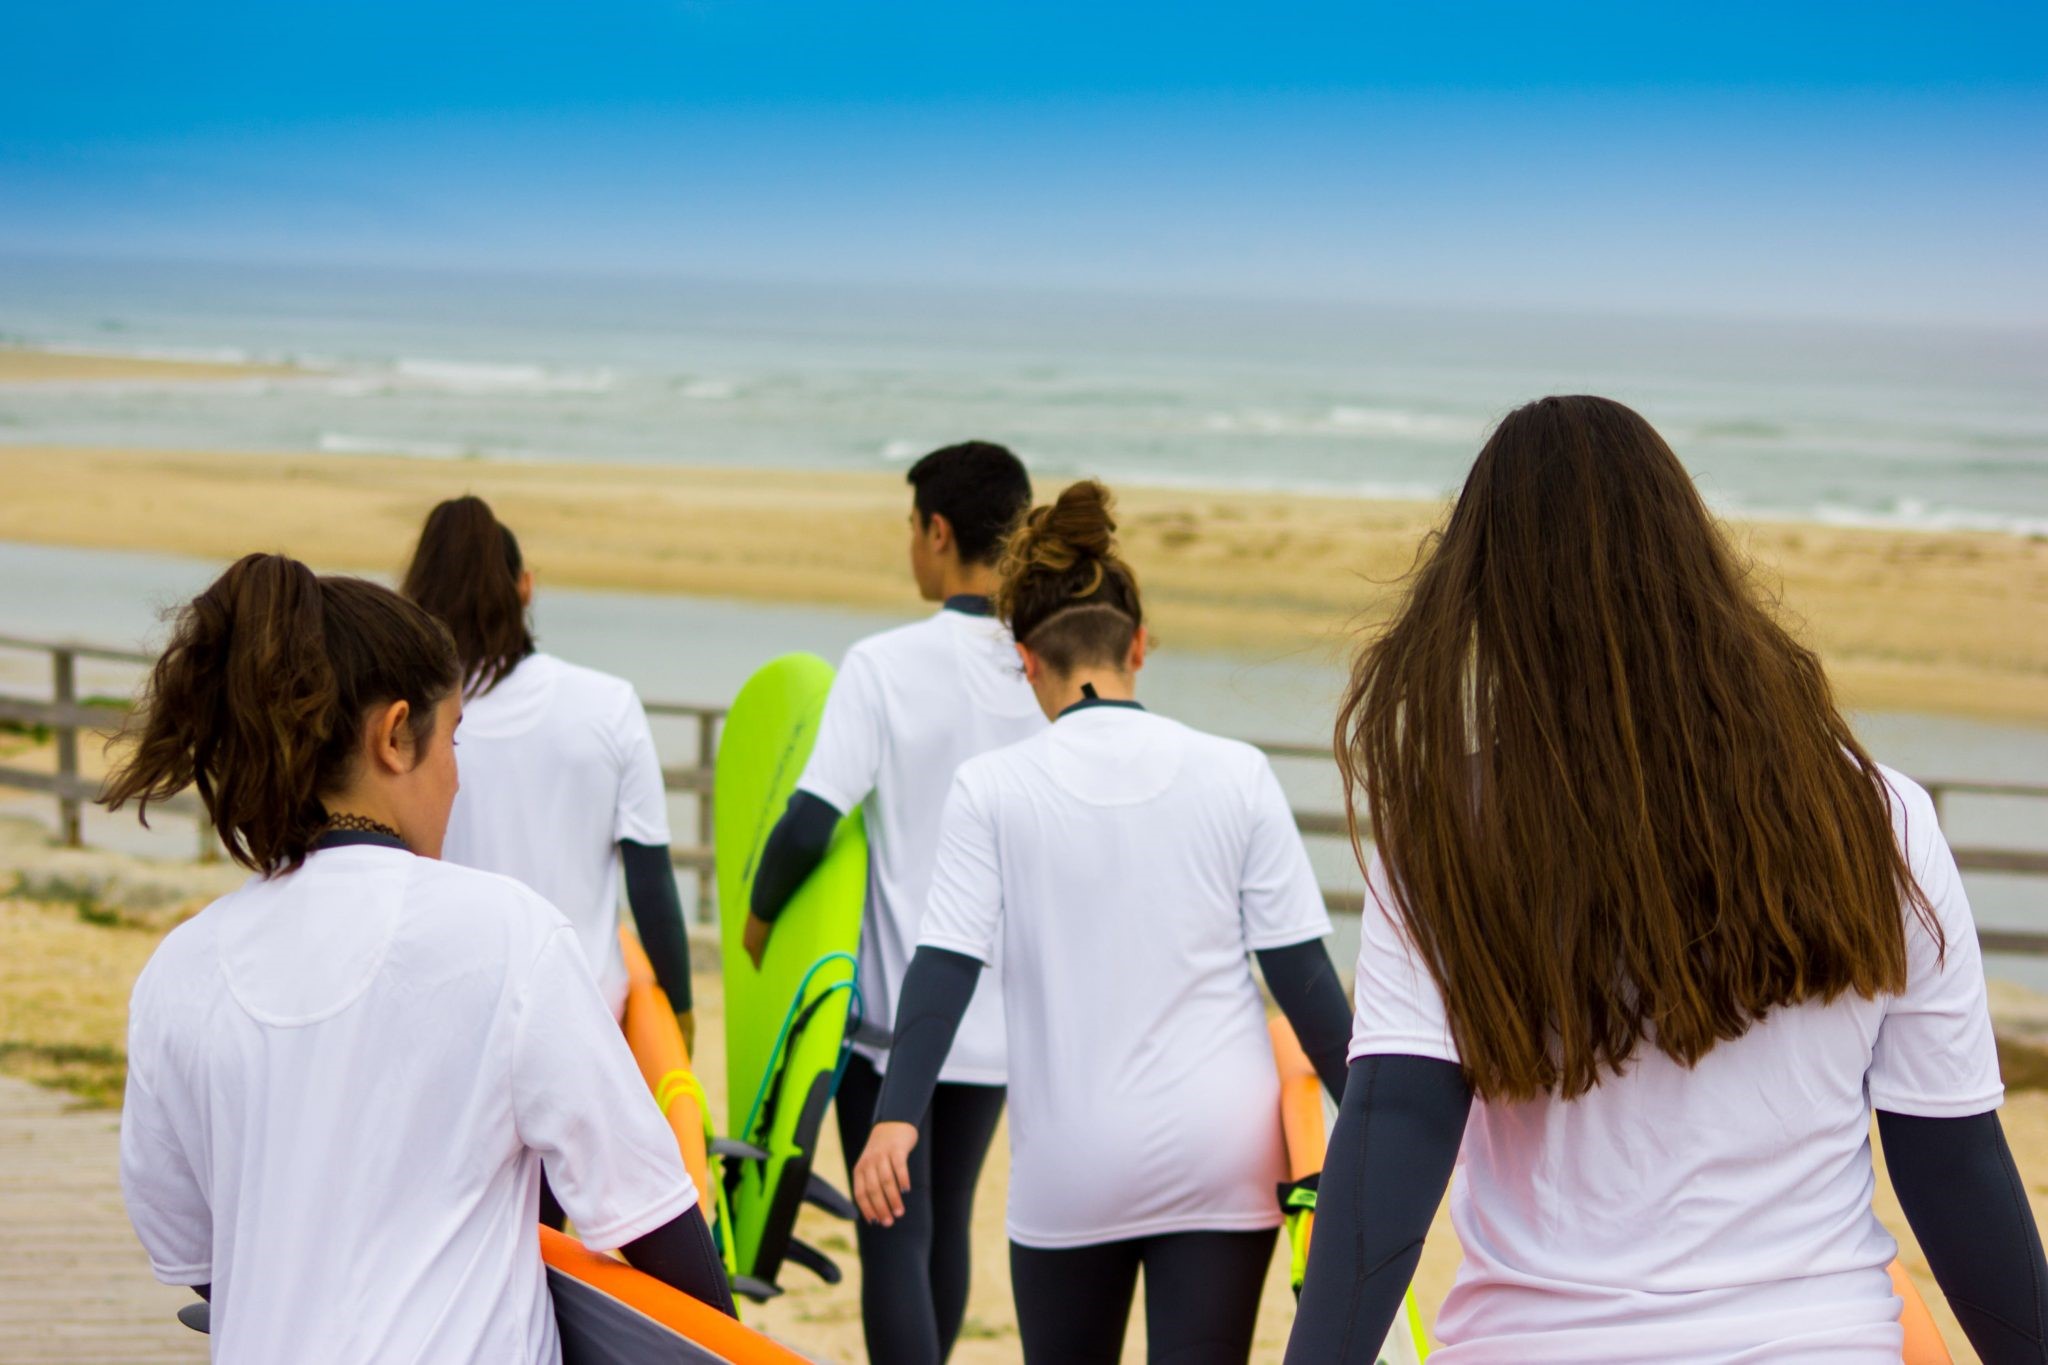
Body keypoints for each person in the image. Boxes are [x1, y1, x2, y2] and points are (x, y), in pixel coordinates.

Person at [1286, 396, 2048, 1364]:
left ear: (1480, 597)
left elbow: (1394, 1126)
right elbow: (1954, 1165)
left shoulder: (1448, 823)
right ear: (1695, 576)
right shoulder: (1873, 813)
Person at [104, 554, 733, 1365]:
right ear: (395, 735)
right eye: (454, 739)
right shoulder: (507, 936)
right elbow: (652, 1221)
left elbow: (197, 1258)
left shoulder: (180, 972)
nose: (458, 777)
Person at [851, 480, 1356, 1365]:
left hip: (1072, 1160)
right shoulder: (1235, 772)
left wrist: (898, 1115)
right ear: (1140, 645)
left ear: (1024, 659)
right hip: (1222, 1150)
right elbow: (1302, 976)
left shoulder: (994, 787)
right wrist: (1375, 1111)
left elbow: (944, 965)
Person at [744, 440, 1040, 1363]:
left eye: (912, 528)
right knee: (946, 1220)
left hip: (893, 1021)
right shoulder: (1042, 668)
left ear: (938, 531)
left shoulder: (882, 664)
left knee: (894, 1236)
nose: (911, 545)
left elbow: (806, 821)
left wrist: (759, 921)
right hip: (995, 1015)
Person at [402, 496, 694, 1049]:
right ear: (526, 587)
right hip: (583, 1023)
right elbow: (651, 881)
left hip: (448, 1025)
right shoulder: (608, 704)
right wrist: (681, 1010)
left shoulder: (401, 723)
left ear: (417, 596)